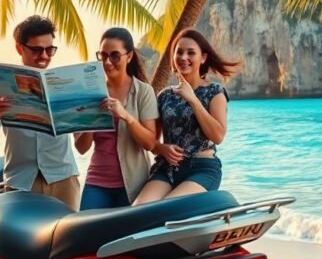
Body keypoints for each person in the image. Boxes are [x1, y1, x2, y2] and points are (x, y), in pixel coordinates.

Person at [0, 15, 80, 210]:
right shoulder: (0, 85)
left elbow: (82, 139)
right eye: (37, 50)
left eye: (50, 50)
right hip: (21, 180)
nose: (44, 56)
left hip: (63, 179)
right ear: (19, 48)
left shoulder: (64, 86)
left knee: (69, 231)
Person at [133, 29, 238, 205]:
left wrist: (193, 99)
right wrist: (162, 148)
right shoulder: (165, 95)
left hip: (202, 168)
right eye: (179, 52)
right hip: (166, 168)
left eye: (191, 53)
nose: (183, 57)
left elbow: (218, 136)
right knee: (139, 210)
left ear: (203, 58)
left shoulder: (215, 92)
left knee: (168, 208)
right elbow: (152, 141)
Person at [74, 28, 160, 209]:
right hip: (97, 182)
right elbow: (81, 148)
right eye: (103, 56)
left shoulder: (144, 92)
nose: (107, 62)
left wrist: (126, 116)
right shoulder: (89, 93)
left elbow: (150, 143)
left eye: (114, 56)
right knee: (86, 227)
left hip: (134, 183)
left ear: (129, 56)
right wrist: (91, 119)